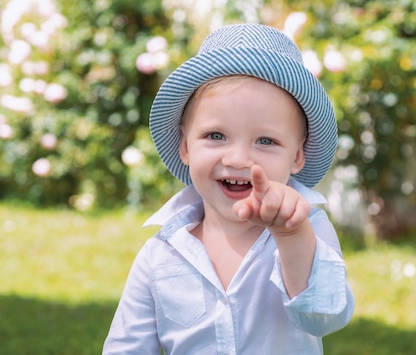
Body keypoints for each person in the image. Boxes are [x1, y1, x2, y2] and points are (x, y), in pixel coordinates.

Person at [103, 23, 354, 354]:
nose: (238, 159)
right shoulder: (162, 253)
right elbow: (125, 348)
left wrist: (292, 238)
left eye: (266, 141)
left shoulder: (309, 228)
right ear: (185, 145)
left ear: (297, 156)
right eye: (216, 136)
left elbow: (324, 316)